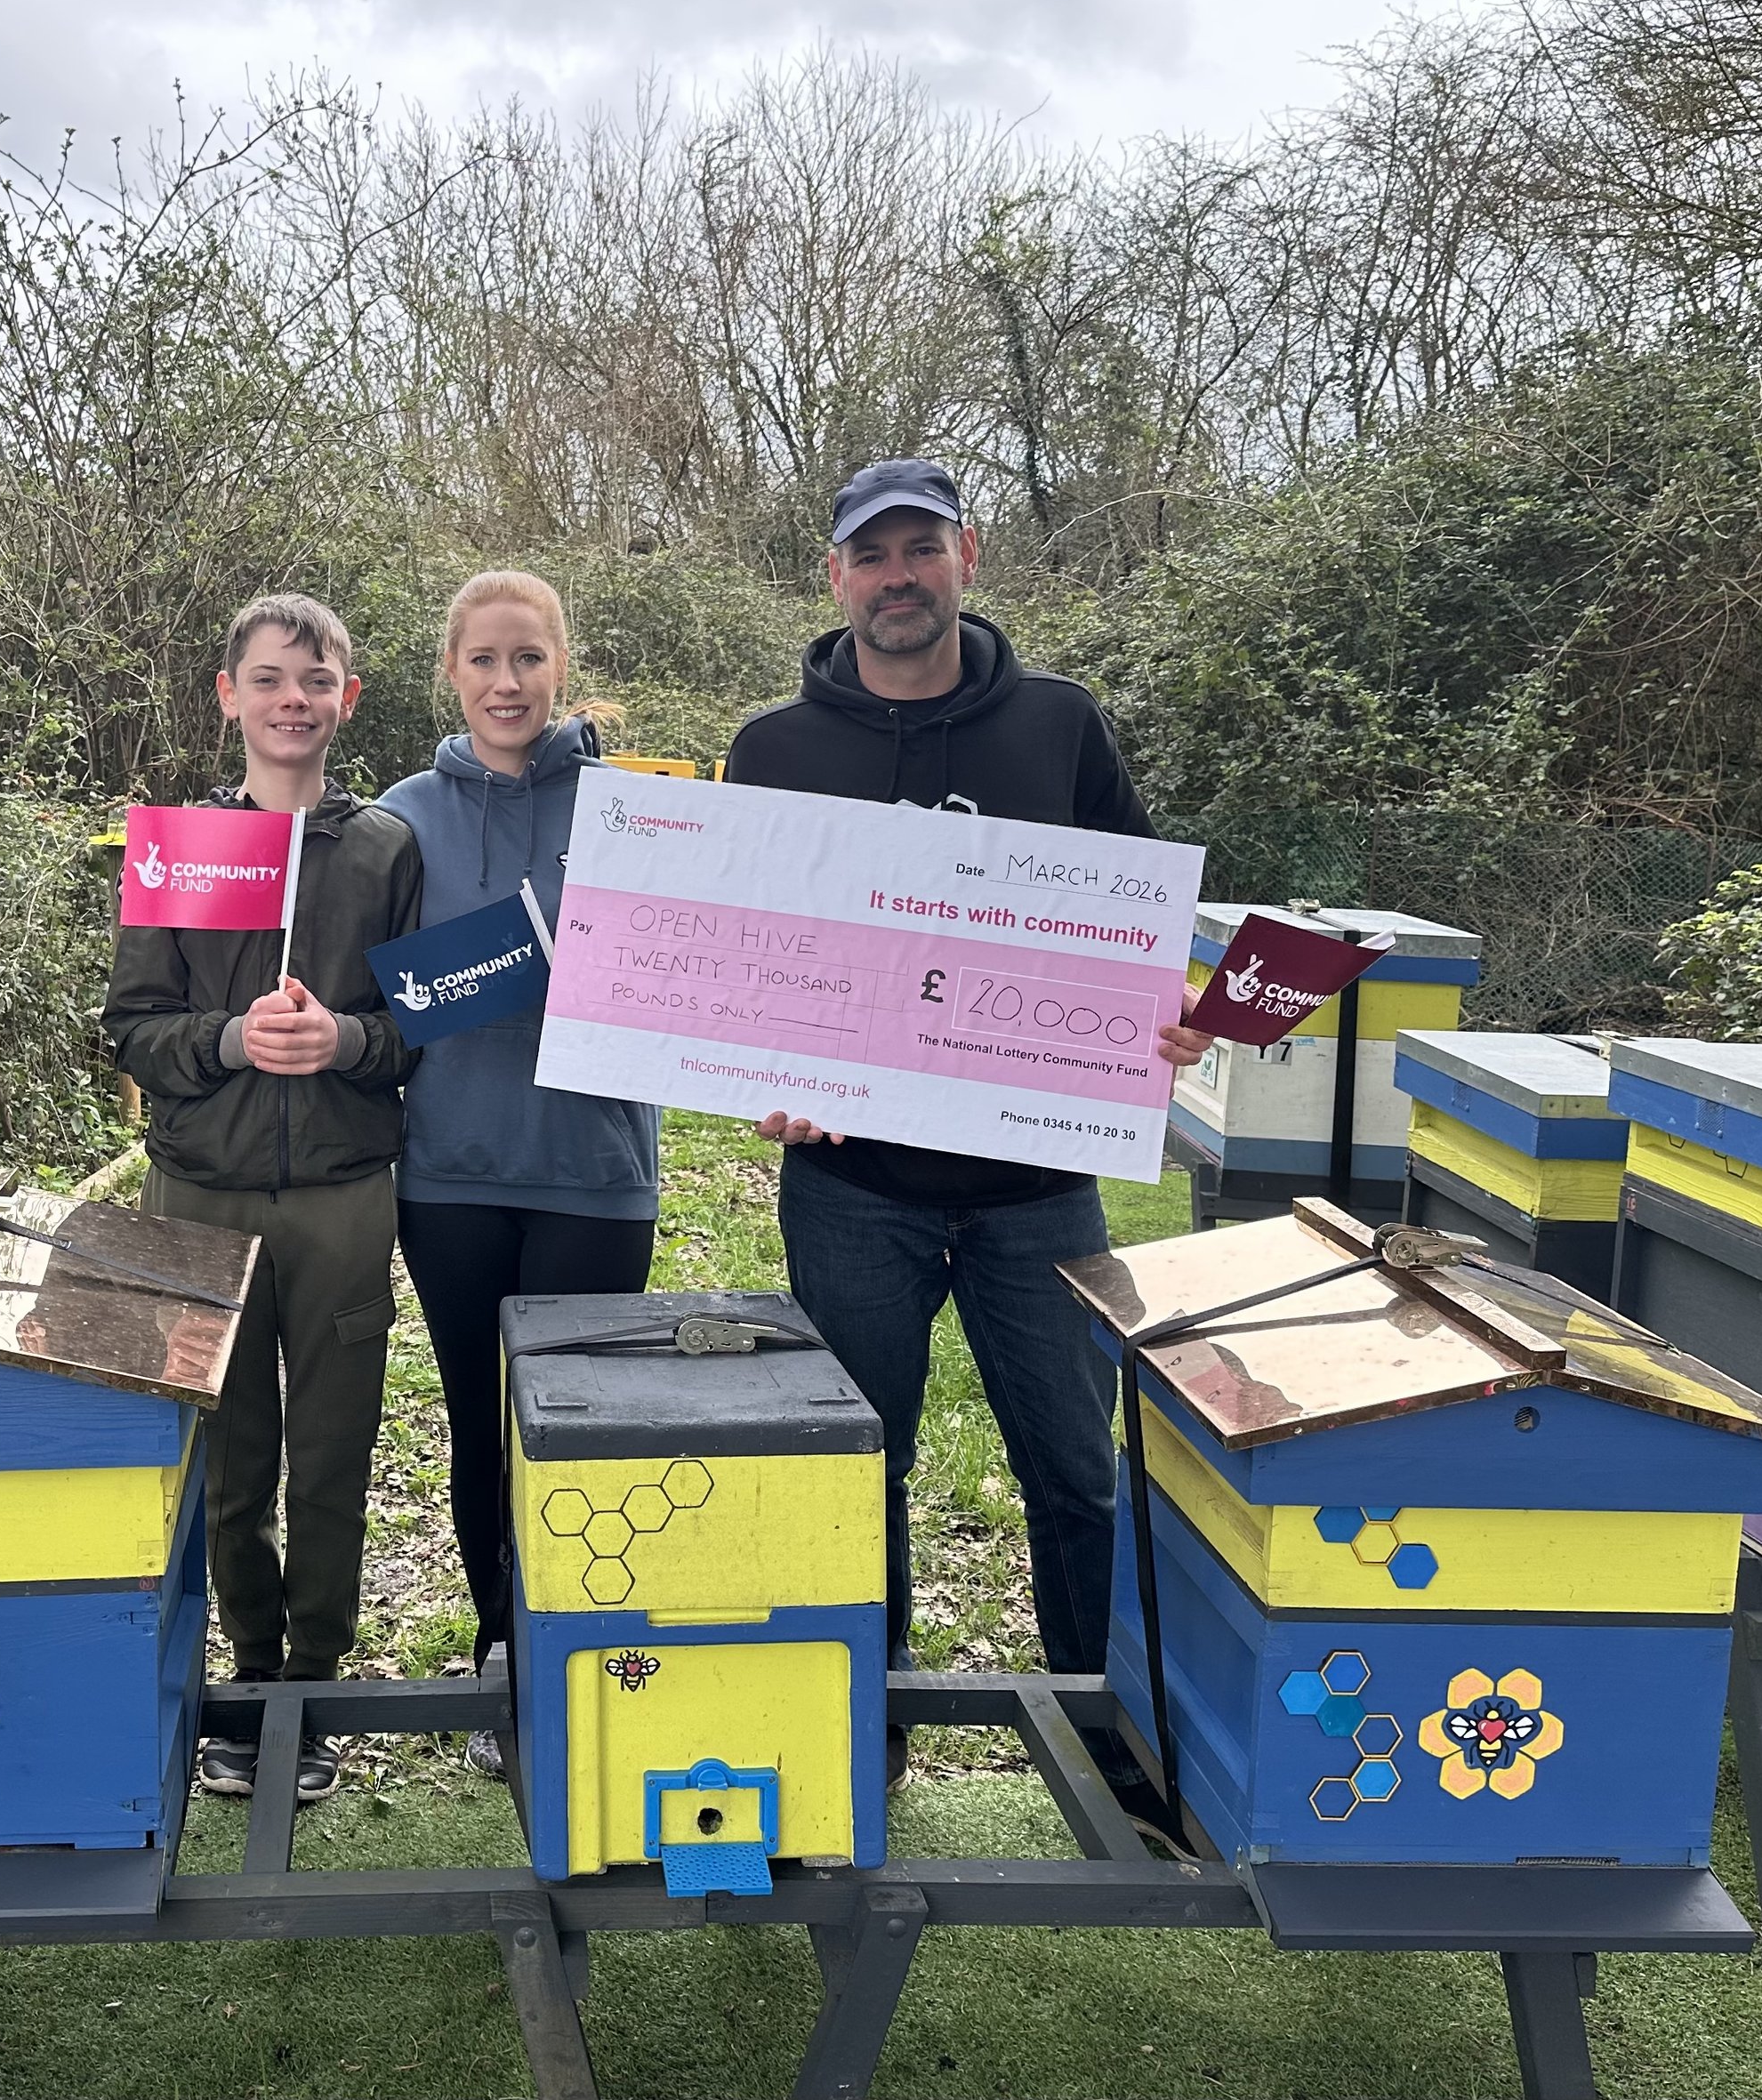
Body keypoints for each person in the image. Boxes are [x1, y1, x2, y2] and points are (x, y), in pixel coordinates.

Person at [724, 459, 1213, 1794]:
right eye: (870, 555)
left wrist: (1161, 1018)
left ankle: (1107, 1738)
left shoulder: (1060, 724)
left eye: (919, 549)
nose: (897, 576)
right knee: (848, 1467)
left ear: (967, 557)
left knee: (1074, 1474)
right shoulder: (772, 752)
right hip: (851, 1186)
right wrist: (755, 1069)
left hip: (1038, 1185)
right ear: (835, 579)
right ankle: (859, 1730)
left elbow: (1139, 921)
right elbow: (740, 957)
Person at [104, 591, 421, 1807]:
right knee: (230, 1457)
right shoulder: (181, 847)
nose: (296, 698)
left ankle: (315, 1684)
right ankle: (242, 1679)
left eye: (319, 677)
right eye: (272, 677)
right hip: (202, 1195)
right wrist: (233, 1037)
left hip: (344, 1197)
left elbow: (420, 1026)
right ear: (229, 695)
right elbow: (132, 1025)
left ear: (348, 696)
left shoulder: (389, 848)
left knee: (334, 1450)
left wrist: (346, 1038)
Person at [379, 571, 661, 1774]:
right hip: (451, 1175)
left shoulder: (634, 813)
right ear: (451, 671)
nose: (508, 682)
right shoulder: (398, 818)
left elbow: (698, 972)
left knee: (588, 1426)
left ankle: (583, 1641)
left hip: (594, 1169)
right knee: (483, 1420)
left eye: (529, 658)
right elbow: (375, 996)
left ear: (560, 665)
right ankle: (504, 1644)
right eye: (486, 659)